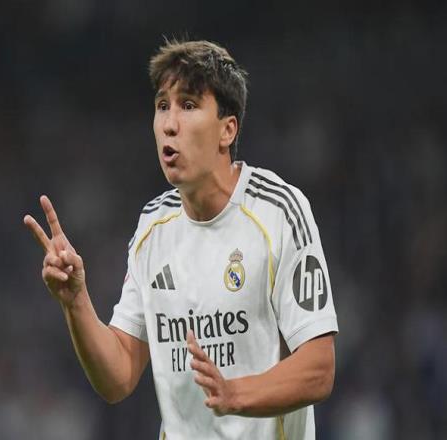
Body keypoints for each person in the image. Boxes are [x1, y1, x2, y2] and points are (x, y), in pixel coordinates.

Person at [24, 39, 338, 440]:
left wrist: (235, 394)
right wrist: (76, 302)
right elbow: (118, 378)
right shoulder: (152, 227)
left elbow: (319, 367)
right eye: (162, 106)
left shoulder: (278, 212)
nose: (169, 124)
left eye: (188, 105)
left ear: (227, 130)